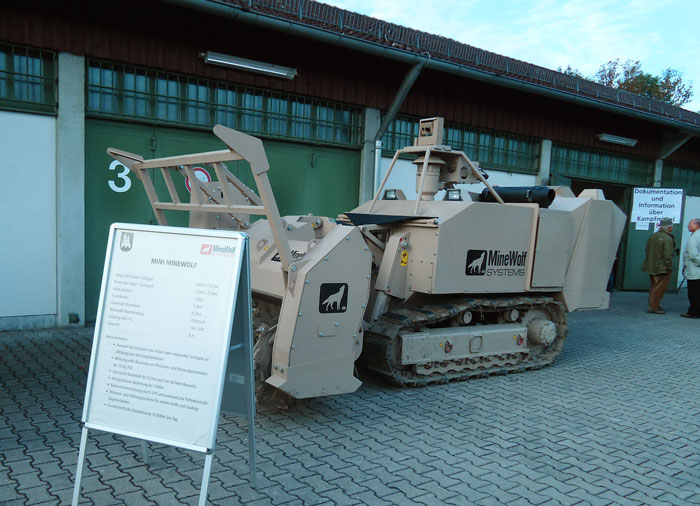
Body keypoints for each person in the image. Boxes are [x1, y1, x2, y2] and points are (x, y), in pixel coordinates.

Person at [641, 217, 676, 314]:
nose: (672, 228)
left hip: (651, 266)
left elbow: (647, 250)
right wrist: (669, 267)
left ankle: (653, 305)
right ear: (669, 227)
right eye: (672, 226)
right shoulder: (667, 238)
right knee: (659, 288)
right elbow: (668, 255)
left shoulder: (653, 236)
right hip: (662, 268)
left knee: (653, 287)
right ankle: (653, 307)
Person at [681, 217, 700, 319]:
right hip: (697, 270)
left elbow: (693, 255)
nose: (688, 225)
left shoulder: (694, 237)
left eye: (690, 223)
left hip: (694, 270)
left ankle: (693, 312)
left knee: (693, 293)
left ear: (696, 225)